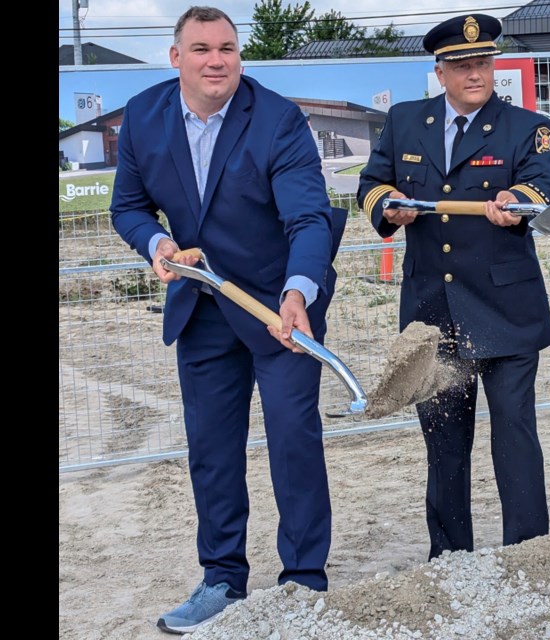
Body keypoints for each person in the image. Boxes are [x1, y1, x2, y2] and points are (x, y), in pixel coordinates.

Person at [110, 6, 344, 634]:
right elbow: (128, 207)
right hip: (203, 303)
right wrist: (157, 246)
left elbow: (308, 217)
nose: (217, 61)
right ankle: (221, 579)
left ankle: (301, 582)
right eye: (201, 49)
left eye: (228, 49)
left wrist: (299, 292)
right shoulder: (143, 117)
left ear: (239, 55)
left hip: (277, 307)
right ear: (176, 56)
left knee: (294, 440)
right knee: (212, 449)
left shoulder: (276, 119)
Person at [357, 14, 550, 560]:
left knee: (514, 437)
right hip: (434, 312)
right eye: (461, 65)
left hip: (506, 309)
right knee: (444, 441)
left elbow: (548, 185)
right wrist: (388, 208)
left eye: (482, 63)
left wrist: (516, 203)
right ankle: (449, 557)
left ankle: (527, 554)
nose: (475, 74)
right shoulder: (405, 122)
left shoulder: (527, 125)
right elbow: (371, 183)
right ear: (441, 70)